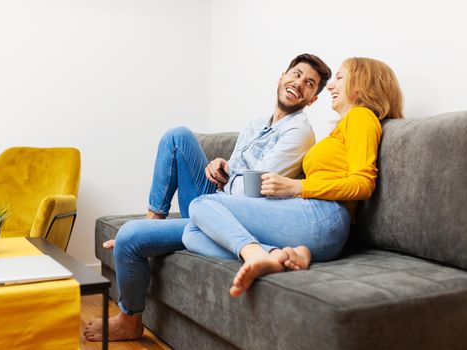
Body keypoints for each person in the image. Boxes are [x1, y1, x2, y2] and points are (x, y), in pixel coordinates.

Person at [83, 53, 332, 342]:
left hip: (233, 217)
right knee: (177, 136)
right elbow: (235, 175)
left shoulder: (299, 132)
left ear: (313, 99)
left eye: (309, 83)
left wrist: (228, 175)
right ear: (282, 76)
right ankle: (154, 221)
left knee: (130, 237)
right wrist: (219, 166)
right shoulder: (255, 124)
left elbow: (251, 189)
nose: (299, 83)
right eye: (296, 74)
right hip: (214, 200)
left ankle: (129, 321)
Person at [182, 57, 404, 298]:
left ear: (362, 83)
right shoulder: (345, 125)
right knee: (191, 234)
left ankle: (256, 254)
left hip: (326, 215)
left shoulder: (361, 117)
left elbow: (363, 184)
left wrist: (295, 187)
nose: (330, 86)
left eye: (339, 78)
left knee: (202, 204)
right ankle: (278, 255)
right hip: (313, 218)